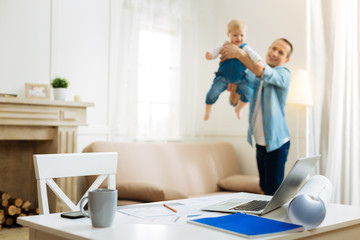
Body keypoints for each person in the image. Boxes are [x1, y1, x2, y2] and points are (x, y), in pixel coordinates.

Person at [220, 38, 293, 195]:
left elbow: (262, 71)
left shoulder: (284, 74)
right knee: (264, 186)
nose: (274, 53)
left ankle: (274, 220)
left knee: (273, 191)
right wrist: (233, 88)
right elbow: (235, 101)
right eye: (273, 48)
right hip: (259, 141)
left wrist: (240, 54)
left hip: (277, 143)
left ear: (286, 59)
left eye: (281, 52)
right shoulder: (252, 75)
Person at [204, 19, 263, 121]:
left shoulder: (245, 48)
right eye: (235, 35)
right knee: (212, 93)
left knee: (249, 92)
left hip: (240, 78)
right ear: (228, 34)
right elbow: (216, 51)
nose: (239, 38)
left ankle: (238, 109)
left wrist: (259, 61)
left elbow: (254, 54)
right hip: (223, 77)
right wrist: (211, 55)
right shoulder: (225, 45)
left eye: (242, 35)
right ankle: (208, 111)